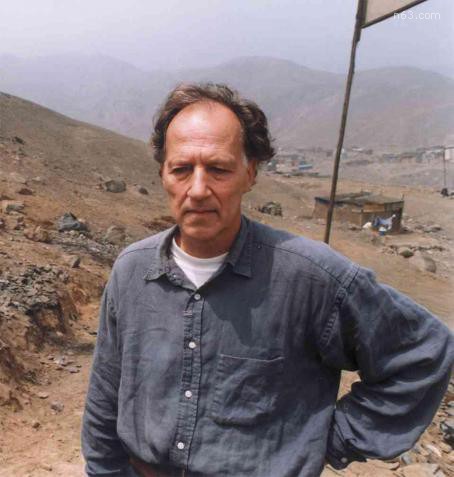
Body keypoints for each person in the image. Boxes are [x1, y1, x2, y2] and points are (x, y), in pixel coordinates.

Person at [82, 83, 454, 477]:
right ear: (163, 174)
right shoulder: (132, 270)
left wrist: (326, 442)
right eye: (182, 169)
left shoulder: (310, 277)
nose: (198, 189)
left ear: (250, 173)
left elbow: (424, 353)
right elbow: (106, 394)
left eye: (218, 169)